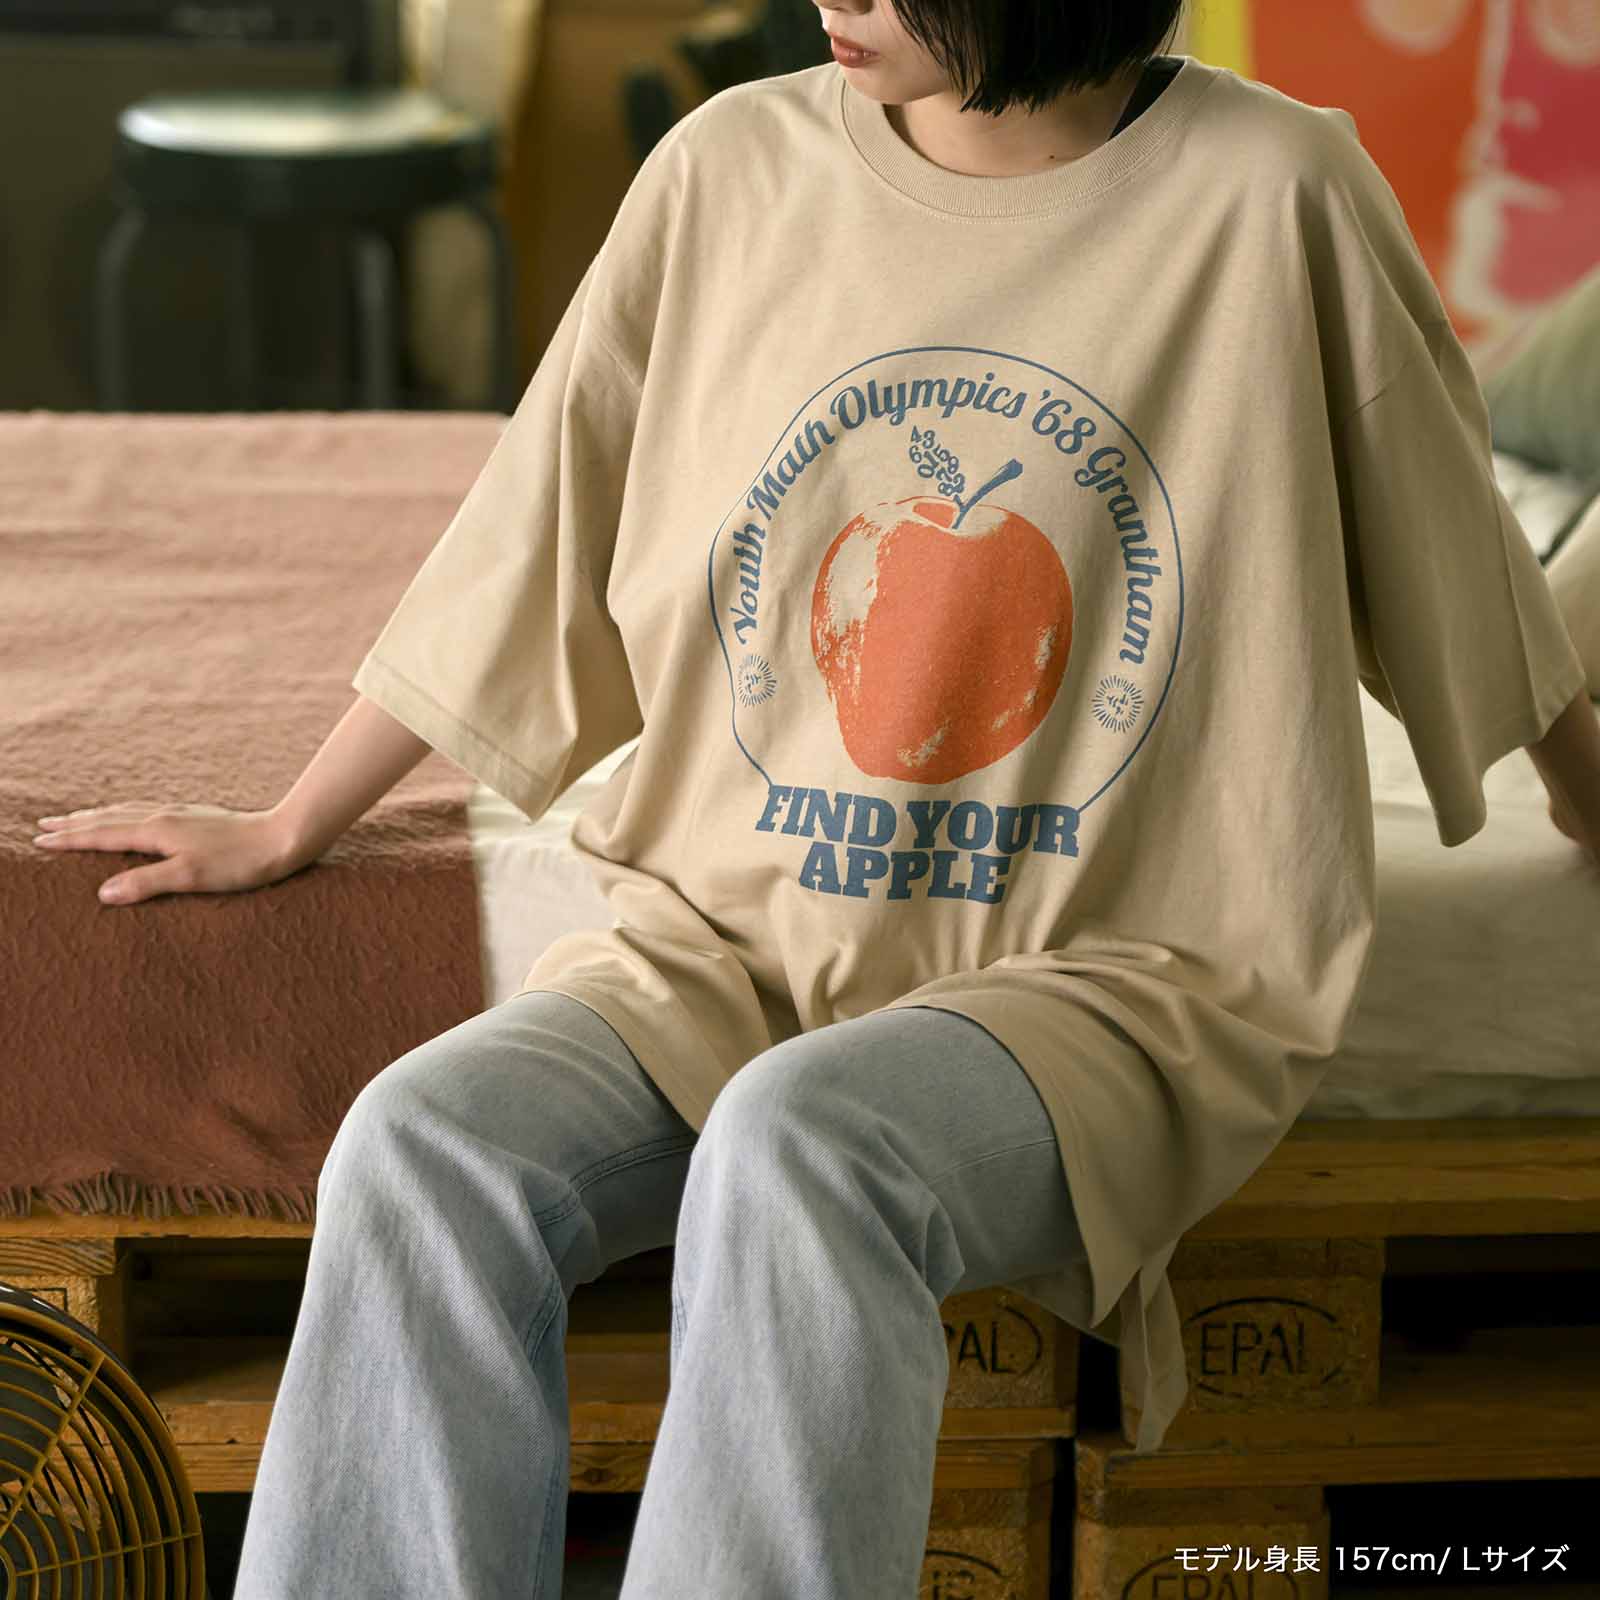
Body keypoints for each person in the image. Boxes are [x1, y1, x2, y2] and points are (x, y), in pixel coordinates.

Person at [33, 0, 1600, 1594]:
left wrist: (1587, 787)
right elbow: (541, 513)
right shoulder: (728, 168)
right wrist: (294, 819)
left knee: (805, 1142)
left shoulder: (1276, 188)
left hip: (1109, 967)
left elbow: (1448, 533)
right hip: (729, 936)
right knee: (422, 1143)